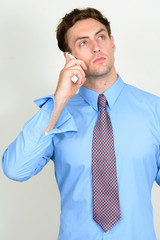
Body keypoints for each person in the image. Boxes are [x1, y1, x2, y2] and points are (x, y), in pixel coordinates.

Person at [2, 7, 160, 240]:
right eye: (83, 43)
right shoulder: (57, 114)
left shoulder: (155, 110)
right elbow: (16, 169)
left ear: (112, 43)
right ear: (69, 57)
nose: (96, 46)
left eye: (101, 36)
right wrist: (58, 102)